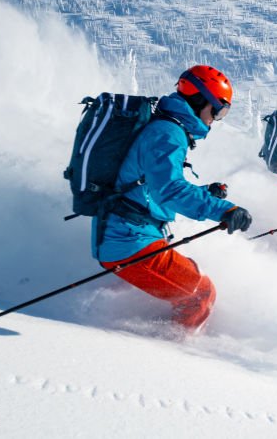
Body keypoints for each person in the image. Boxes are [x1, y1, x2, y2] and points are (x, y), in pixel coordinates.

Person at [92, 65, 253, 331]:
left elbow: (150, 185)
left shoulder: (167, 127)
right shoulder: (167, 133)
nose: (216, 119)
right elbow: (169, 190)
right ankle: (170, 352)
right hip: (129, 241)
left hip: (129, 235)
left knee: (190, 275)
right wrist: (223, 210)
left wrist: (204, 193)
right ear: (200, 100)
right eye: (218, 110)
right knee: (200, 294)